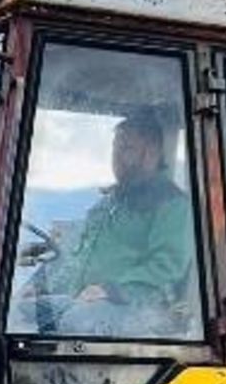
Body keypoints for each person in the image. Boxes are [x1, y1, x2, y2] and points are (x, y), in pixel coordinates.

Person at [37, 109, 193, 333]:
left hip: (139, 310)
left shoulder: (172, 205)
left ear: (152, 153)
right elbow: (77, 254)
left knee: (76, 323)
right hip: (84, 300)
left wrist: (113, 290)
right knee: (25, 312)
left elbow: (167, 266)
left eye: (126, 149)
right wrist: (41, 287)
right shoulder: (110, 203)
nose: (117, 157)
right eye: (115, 149)